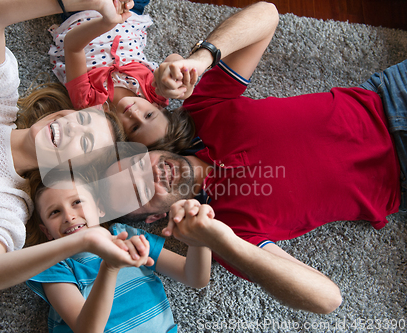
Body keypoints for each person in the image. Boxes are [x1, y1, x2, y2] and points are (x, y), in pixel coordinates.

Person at [104, 0, 407, 314]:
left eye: (138, 166)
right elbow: (327, 299)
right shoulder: (225, 230)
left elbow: (267, 15)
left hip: (388, 97)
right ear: (154, 218)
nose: (151, 174)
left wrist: (200, 60)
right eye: (140, 190)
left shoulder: (200, 113)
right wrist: (219, 240)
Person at [0, 0, 153, 296]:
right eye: (81, 119)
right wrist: (90, 4)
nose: (73, 127)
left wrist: (80, 241)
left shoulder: (6, 205)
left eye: (84, 142)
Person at [25, 170, 211, 332]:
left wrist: (200, 236)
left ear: (99, 208)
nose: (69, 216)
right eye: (54, 212)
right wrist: (110, 267)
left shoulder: (127, 234)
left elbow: (195, 278)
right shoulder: (53, 265)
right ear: (46, 231)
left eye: (77, 202)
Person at [47, 0, 197, 151]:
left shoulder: (90, 105)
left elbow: (72, 47)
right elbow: (172, 59)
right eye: (149, 115)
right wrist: (178, 70)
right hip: (129, 12)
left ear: (121, 136)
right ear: (157, 107)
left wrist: (106, 22)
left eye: (134, 128)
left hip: (82, 12)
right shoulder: (155, 92)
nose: (135, 114)